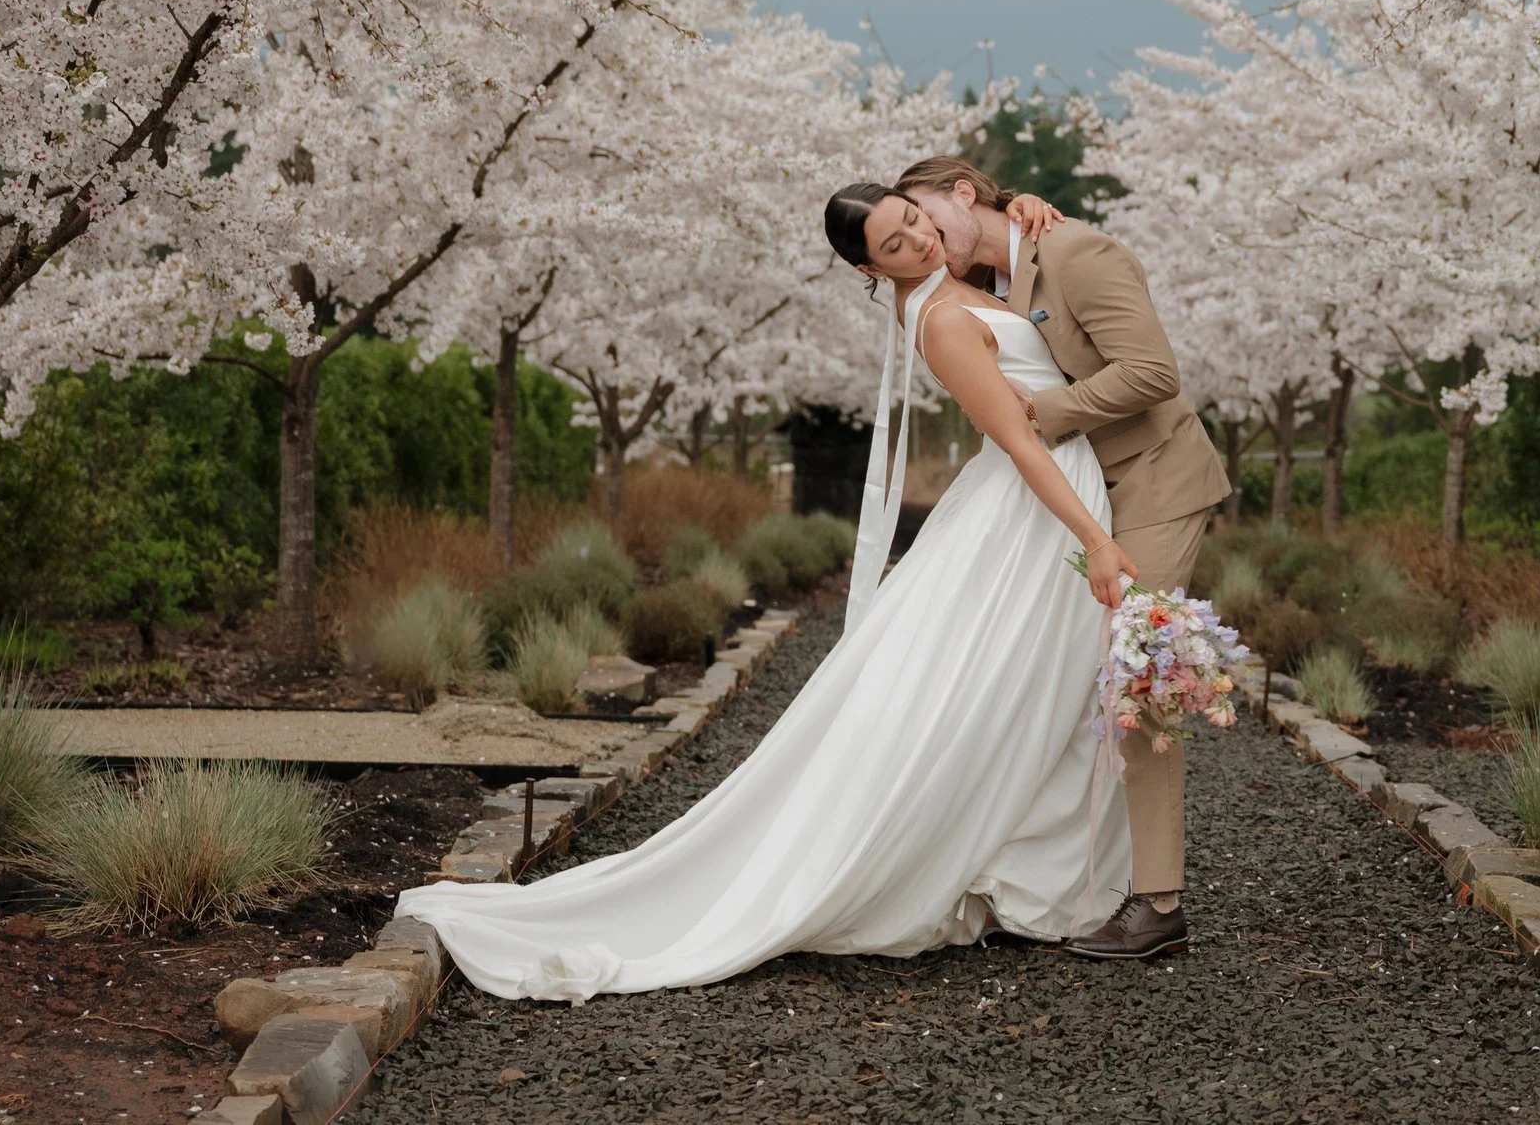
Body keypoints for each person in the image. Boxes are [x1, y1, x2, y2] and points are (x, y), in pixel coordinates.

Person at [392, 184, 1143, 1001]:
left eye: (916, 221)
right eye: (895, 244)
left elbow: (980, 218)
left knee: (1038, 686)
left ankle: (1028, 868)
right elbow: (1022, 440)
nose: (921, 240)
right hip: (1035, 507)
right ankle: (992, 865)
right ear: (869, 268)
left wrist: (1014, 200)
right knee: (1015, 688)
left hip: (1031, 506)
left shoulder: (953, 279)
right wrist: (1095, 539)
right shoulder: (941, 319)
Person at [895, 156, 1232, 961]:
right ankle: (1064, 874)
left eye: (930, 220)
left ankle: (1158, 905)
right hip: (1089, 498)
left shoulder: (1076, 251)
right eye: (909, 234)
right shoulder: (999, 271)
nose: (927, 240)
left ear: (964, 193)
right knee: (1062, 675)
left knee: (1138, 673)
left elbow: (1153, 373)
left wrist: (1044, 414)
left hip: (1153, 486)